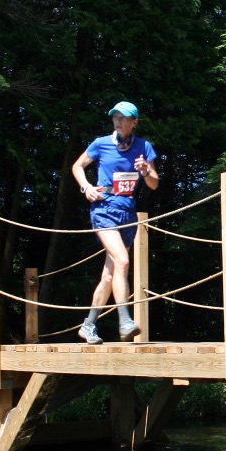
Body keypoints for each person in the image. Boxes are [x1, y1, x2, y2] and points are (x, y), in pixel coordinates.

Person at [71, 101, 159, 343]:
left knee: (109, 275)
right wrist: (86, 187)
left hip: (127, 213)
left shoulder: (144, 146)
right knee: (122, 260)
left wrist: (145, 170)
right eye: (115, 117)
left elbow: (153, 183)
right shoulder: (101, 143)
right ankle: (125, 322)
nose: (119, 121)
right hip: (104, 210)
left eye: (124, 118)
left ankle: (88, 325)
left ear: (134, 122)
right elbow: (77, 166)